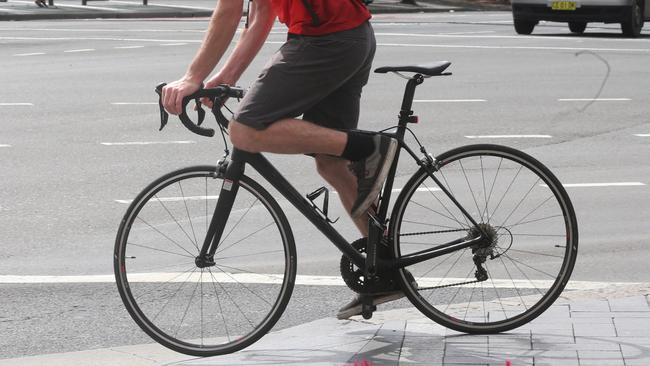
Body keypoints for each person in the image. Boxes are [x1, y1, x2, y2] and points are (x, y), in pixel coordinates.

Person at [162, 0, 402, 319]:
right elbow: (260, 14)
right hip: (349, 37)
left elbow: (230, 10)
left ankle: (369, 148)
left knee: (245, 129)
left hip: (325, 42)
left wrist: (193, 76)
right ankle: (387, 271)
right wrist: (225, 77)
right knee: (331, 162)